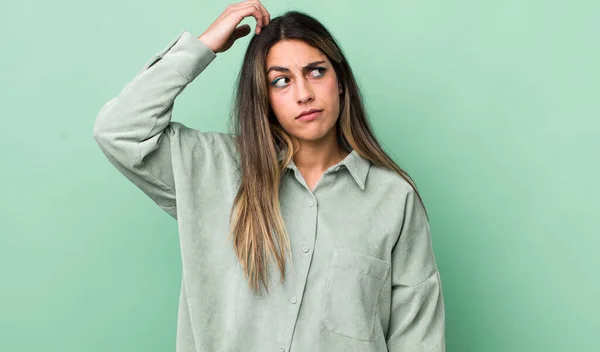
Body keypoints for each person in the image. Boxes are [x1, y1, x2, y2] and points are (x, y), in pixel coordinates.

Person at [92, 1, 445, 351]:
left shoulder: (393, 198)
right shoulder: (214, 171)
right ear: (264, 98)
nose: (304, 94)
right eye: (281, 81)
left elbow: (417, 338)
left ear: (340, 82)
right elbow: (119, 131)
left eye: (316, 71)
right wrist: (203, 47)